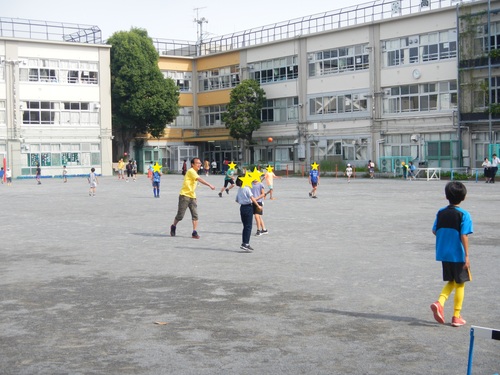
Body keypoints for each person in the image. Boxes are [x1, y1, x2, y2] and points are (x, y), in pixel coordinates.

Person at [430, 181, 473, 328]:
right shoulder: (464, 215)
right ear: (463, 197)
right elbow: (464, 235)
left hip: (444, 253)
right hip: (458, 254)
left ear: (446, 196)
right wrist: (467, 256)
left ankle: (440, 302)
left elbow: (435, 230)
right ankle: (456, 316)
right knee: (460, 284)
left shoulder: (441, 212)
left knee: (452, 281)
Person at [170, 157, 215, 239]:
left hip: (192, 196)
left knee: (195, 215)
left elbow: (193, 186)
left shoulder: (195, 172)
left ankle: (194, 232)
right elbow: (199, 179)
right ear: (192, 164)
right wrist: (210, 185)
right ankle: (173, 226)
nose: (199, 164)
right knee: (180, 215)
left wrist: (195, 197)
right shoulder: (191, 171)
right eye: (197, 163)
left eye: (200, 163)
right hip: (184, 196)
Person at [235, 177, 262, 252]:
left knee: (245, 226)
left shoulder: (239, 189)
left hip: (242, 208)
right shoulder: (246, 188)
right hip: (248, 207)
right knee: (248, 226)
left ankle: (245, 243)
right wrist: (258, 205)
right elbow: (252, 198)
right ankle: (245, 243)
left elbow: (236, 200)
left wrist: (243, 201)